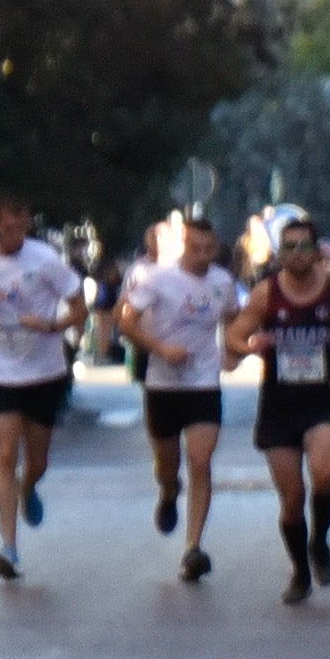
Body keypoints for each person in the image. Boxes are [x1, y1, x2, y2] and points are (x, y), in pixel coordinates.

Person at [224, 214, 330, 605]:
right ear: (280, 252)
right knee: (291, 498)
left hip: (322, 400)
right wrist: (251, 344)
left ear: (317, 250)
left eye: (304, 246)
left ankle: (319, 544)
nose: (297, 254)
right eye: (289, 247)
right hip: (279, 405)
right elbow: (235, 335)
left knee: (323, 477)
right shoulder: (266, 294)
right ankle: (300, 570)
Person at [0, 193, 87, 581]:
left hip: (43, 372)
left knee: (37, 460)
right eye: (6, 225)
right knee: (5, 455)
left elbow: (79, 307)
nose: (13, 233)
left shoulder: (46, 261)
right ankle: (9, 548)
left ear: (27, 225)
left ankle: (29, 487)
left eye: (20, 226)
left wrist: (53, 326)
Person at [116, 213, 240, 583]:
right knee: (167, 464)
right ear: (184, 245)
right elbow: (126, 322)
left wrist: (233, 350)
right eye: (195, 247)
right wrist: (160, 348)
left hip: (204, 383)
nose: (202, 255)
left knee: (200, 461)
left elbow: (232, 317)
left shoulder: (222, 281)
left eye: (209, 248)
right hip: (163, 384)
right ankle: (169, 491)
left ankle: (192, 548)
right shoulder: (158, 279)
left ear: (215, 248)